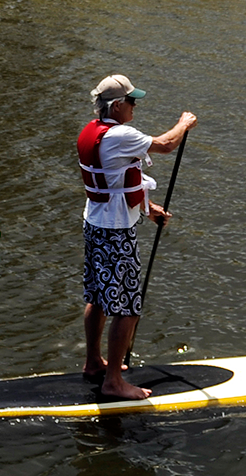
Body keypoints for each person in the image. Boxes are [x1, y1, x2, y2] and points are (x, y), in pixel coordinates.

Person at [78, 74, 196, 399]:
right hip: (116, 234)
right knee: (128, 306)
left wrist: (150, 208)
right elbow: (167, 144)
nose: (134, 107)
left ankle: (93, 363)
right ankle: (113, 382)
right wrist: (184, 123)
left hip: (96, 224)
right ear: (116, 106)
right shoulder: (120, 134)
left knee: (100, 297)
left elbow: (118, 183)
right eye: (131, 101)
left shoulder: (93, 132)